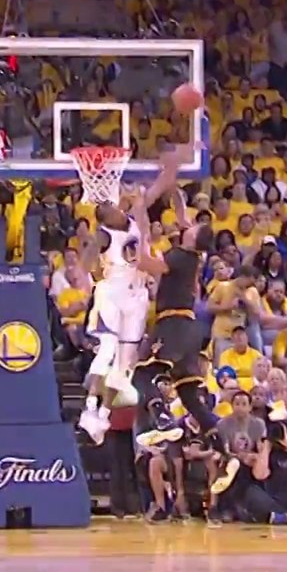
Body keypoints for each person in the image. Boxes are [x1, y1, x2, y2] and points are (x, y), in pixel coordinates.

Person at [132, 181, 240, 495]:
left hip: (173, 323)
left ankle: (163, 420)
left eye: (189, 227)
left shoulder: (181, 255)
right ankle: (225, 452)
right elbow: (183, 215)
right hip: (191, 330)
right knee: (191, 396)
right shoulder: (192, 251)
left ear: (193, 237)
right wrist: (173, 185)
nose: (185, 226)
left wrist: (140, 215)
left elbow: (144, 262)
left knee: (143, 374)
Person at [78, 145, 192, 444]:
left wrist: (175, 165)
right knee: (105, 350)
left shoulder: (133, 218)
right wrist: (89, 274)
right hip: (111, 294)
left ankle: (102, 415)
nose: (114, 208)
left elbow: (159, 187)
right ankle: (88, 409)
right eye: (106, 208)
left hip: (137, 297)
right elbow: (87, 258)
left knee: (125, 364)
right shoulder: (104, 235)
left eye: (112, 205)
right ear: (102, 216)